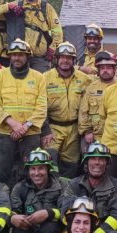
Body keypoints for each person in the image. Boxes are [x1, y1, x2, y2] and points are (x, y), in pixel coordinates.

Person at [0, 38, 47, 189]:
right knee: (1, 174)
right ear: (9, 56)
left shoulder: (39, 77)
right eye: (13, 55)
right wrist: (13, 124)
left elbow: (41, 108)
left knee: (31, 173)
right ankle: (2, 206)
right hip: (4, 133)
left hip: (30, 134)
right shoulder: (0, 76)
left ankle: (27, 206)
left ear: (28, 56)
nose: (16, 58)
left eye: (21, 54)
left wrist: (24, 127)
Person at [0, 0, 62, 72]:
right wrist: (8, 7)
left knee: (41, 85)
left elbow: (57, 30)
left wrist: (53, 47)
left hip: (39, 58)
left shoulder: (46, 7)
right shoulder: (15, 6)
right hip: (18, 58)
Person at [62, 142, 117, 233]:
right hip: (78, 230)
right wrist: (81, 232)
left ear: (106, 163)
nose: (97, 163)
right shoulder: (73, 184)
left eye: (101, 159)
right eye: (93, 159)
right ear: (86, 162)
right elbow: (65, 213)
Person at [43, 41, 91, 178]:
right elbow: (39, 107)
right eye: (62, 57)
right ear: (56, 59)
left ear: (74, 60)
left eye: (69, 57)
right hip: (52, 129)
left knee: (71, 166)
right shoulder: (44, 78)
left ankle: (66, 193)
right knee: (49, 162)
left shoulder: (84, 79)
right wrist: (45, 131)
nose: (65, 60)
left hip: (74, 130)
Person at [9, 148, 68, 233]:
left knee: (50, 227)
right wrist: (13, 218)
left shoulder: (62, 186)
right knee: (19, 231)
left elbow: (68, 213)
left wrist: (49, 213)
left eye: (41, 168)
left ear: (48, 169)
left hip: (53, 232)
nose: (36, 173)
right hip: (29, 230)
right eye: (33, 169)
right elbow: (12, 209)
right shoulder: (19, 188)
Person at [78, 51, 117, 150]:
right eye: (102, 68)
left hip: (114, 136)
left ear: (114, 70)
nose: (105, 71)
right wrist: (87, 131)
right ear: (98, 70)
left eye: (108, 68)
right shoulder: (91, 88)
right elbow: (83, 111)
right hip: (93, 135)